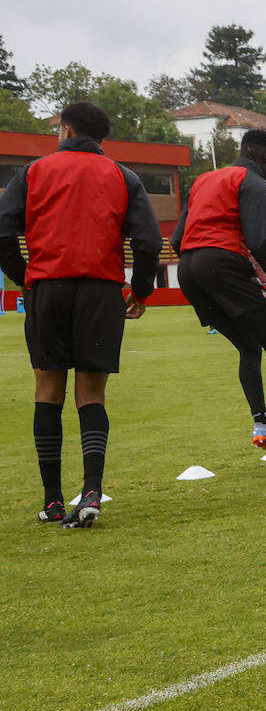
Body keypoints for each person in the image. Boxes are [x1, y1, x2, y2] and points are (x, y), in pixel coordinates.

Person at [0, 101, 162, 527]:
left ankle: (52, 501)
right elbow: (148, 241)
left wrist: (24, 277)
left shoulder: (34, 172)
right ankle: (91, 491)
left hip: (47, 290)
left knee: (47, 392)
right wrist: (141, 290)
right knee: (91, 394)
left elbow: (2, 228)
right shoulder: (123, 176)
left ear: (67, 130)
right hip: (101, 292)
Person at [172, 129, 266, 458]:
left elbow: (175, 239)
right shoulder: (256, 184)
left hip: (188, 269)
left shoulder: (203, 180)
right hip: (223, 263)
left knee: (249, 345)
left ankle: (261, 425)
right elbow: (259, 243)